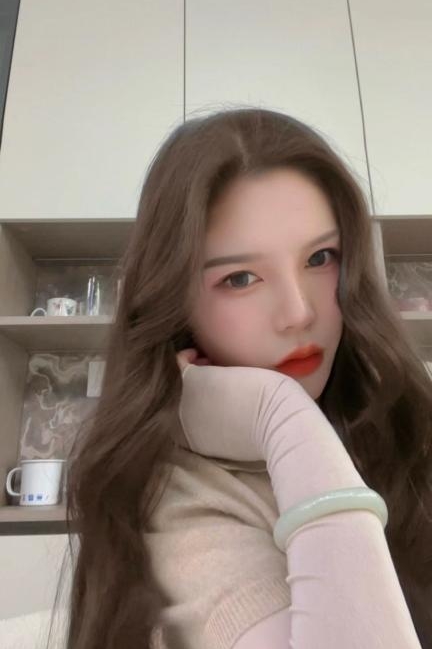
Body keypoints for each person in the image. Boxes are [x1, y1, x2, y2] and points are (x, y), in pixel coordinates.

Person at [35, 107, 430, 648]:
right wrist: (282, 416)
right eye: (240, 278)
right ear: (176, 304)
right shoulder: (182, 499)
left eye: (321, 257)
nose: (298, 312)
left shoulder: (394, 425)